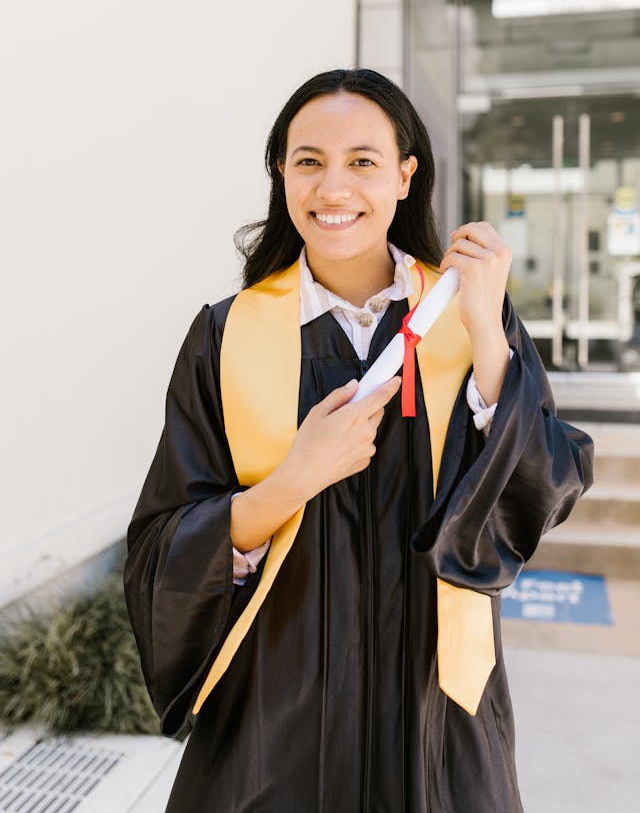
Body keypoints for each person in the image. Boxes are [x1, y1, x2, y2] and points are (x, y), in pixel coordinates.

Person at [124, 68, 594, 812]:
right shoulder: (228, 336)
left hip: (439, 727)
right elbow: (160, 549)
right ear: (282, 174)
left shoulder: (468, 319)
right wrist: (290, 484)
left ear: (407, 175)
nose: (333, 188)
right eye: (308, 161)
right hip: (271, 733)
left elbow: (545, 491)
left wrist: (487, 336)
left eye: (363, 162)